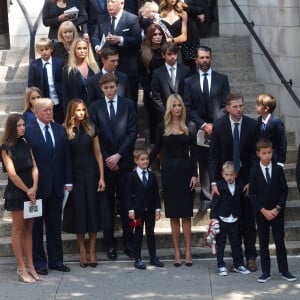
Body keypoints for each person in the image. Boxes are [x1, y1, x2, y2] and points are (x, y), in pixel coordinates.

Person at [208, 93, 259, 272]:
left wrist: (252, 180)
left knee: (248, 219)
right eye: (235, 106)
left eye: (241, 106)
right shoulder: (220, 126)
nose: (239, 109)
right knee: (229, 223)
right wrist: (214, 182)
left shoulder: (252, 125)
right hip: (226, 181)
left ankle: (251, 256)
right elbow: (213, 156)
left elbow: (255, 156)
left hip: (245, 181)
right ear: (228, 108)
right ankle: (234, 259)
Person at [89, 73, 137, 260]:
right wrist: (108, 158)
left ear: (117, 86)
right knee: (106, 207)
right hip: (105, 165)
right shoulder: (95, 107)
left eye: (112, 87)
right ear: (101, 89)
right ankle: (110, 245)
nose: (109, 91)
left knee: (126, 205)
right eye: (106, 88)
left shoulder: (128, 105)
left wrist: (118, 156)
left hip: (123, 163)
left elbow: (132, 132)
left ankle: (129, 243)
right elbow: (95, 134)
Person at [25, 98, 73, 275]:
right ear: (36, 112)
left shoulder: (59, 130)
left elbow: (66, 157)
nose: (49, 113)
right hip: (37, 188)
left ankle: (56, 260)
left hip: (56, 186)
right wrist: (29, 186)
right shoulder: (28, 132)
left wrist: (68, 181)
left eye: (51, 110)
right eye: (45, 110)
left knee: (54, 225)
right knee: (36, 227)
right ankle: (39, 262)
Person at [149, 94, 198, 266]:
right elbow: (156, 149)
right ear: (169, 108)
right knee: (173, 216)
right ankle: (177, 251)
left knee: (186, 215)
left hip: (185, 172)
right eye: (174, 105)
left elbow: (195, 153)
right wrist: (143, 163)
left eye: (179, 105)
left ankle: (188, 251)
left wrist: (195, 174)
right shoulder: (162, 126)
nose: (177, 108)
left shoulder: (189, 126)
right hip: (169, 173)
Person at [184, 46, 230, 213]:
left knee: (220, 160)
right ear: (196, 60)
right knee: (203, 163)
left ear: (211, 58)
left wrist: (214, 125)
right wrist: (204, 125)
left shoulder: (222, 79)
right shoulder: (189, 82)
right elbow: (188, 108)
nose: (205, 61)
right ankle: (206, 198)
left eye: (207, 57)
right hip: (200, 129)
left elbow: (226, 105)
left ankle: (221, 194)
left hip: (219, 128)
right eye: (201, 58)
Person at [62, 99, 106, 268]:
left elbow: (98, 154)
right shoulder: (65, 130)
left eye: (83, 109)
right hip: (74, 176)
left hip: (92, 174)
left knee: (92, 212)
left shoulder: (91, 128)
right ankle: (82, 250)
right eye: (78, 110)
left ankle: (93, 251)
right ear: (72, 111)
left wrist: (102, 177)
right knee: (79, 213)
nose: (81, 113)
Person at [250, 138, 296, 283]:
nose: (267, 155)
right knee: (263, 242)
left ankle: (284, 270)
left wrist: (277, 208)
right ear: (258, 154)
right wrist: (263, 210)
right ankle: (266, 272)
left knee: (279, 242)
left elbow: (284, 190)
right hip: (262, 213)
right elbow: (253, 194)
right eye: (264, 153)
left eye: (269, 152)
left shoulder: (277, 169)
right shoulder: (254, 171)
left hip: (277, 212)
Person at [1, 114, 39, 283]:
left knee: (30, 229)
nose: (22, 128)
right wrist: (27, 190)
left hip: (31, 190)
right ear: (11, 128)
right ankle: (21, 267)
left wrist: (35, 187)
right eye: (19, 126)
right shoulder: (5, 147)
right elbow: (12, 174)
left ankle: (31, 266)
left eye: (23, 125)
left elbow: (35, 167)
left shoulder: (26, 143)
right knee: (18, 229)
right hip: (17, 192)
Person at [91, 0, 142, 105]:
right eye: (108, 2)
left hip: (127, 69)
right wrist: (97, 47)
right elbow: (95, 37)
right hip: (107, 70)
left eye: (112, 2)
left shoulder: (132, 19)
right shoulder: (102, 18)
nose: (109, 4)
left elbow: (137, 41)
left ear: (122, 3)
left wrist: (120, 39)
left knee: (130, 101)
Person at [125, 149, 164, 270]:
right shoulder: (131, 176)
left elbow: (156, 194)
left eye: (147, 159)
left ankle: (153, 257)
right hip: (137, 212)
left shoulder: (151, 176)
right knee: (137, 233)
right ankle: (137, 258)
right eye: (142, 159)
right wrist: (130, 210)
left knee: (150, 233)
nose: (145, 161)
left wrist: (158, 209)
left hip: (150, 210)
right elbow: (128, 194)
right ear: (136, 161)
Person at [210, 161, 250, 276]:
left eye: (232, 175)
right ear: (222, 174)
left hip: (235, 219)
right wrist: (213, 218)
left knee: (236, 243)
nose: (229, 177)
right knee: (220, 243)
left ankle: (238, 264)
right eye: (227, 175)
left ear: (236, 175)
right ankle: (221, 265)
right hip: (222, 218)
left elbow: (244, 199)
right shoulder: (219, 185)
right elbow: (215, 202)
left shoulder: (240, 185)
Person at [138, 23, 166, 145]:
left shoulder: (167, 50)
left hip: (167, 89)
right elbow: (141, 75)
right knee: (154, 120)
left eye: (160, 34)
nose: (158, 37)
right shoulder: (143, 53)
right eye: (155, 34)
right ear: (149, 36)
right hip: (151, 91)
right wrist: (148, 90)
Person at [28, 38, 64, 123]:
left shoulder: (59, 62)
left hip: (58, 101)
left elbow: (64, 82)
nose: (44, 52)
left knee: (59, 122)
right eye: (41, 50)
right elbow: (31, 84)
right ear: (38, 51)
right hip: (43, 102)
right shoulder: (34, 65)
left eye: (47, 49)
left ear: (51, 49)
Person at [151, 42, 190, 122]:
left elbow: (188, 94)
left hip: (183, 115)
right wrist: (166, 114)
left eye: (175, 54)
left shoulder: (185, 70)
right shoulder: (157, 73)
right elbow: (156, 97)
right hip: (165, 116)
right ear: (163, 55)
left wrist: (183, 112)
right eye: (169, 54)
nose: (173, 57)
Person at [61, 37, 100, 114]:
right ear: (74, 51)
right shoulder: (67, 70)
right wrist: (67, 116)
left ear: (88, 50)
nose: (82, 51)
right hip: (76, 112)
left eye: (85, 48)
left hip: (94, 111)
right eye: (79, 48)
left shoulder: (95, 68)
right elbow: (65, 96)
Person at [255, 93, 287, 166]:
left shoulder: (276, 122)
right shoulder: (259, 120)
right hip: (262, 159)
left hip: (274, 158)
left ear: (266, 108)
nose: (256, 106)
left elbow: (282, 141)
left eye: (258, 105)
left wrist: (281, 161)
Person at [182, 0, 207, 73]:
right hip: (174, 31)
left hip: (190, 33)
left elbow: (200, 9)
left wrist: (187, 6)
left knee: (190, 61)